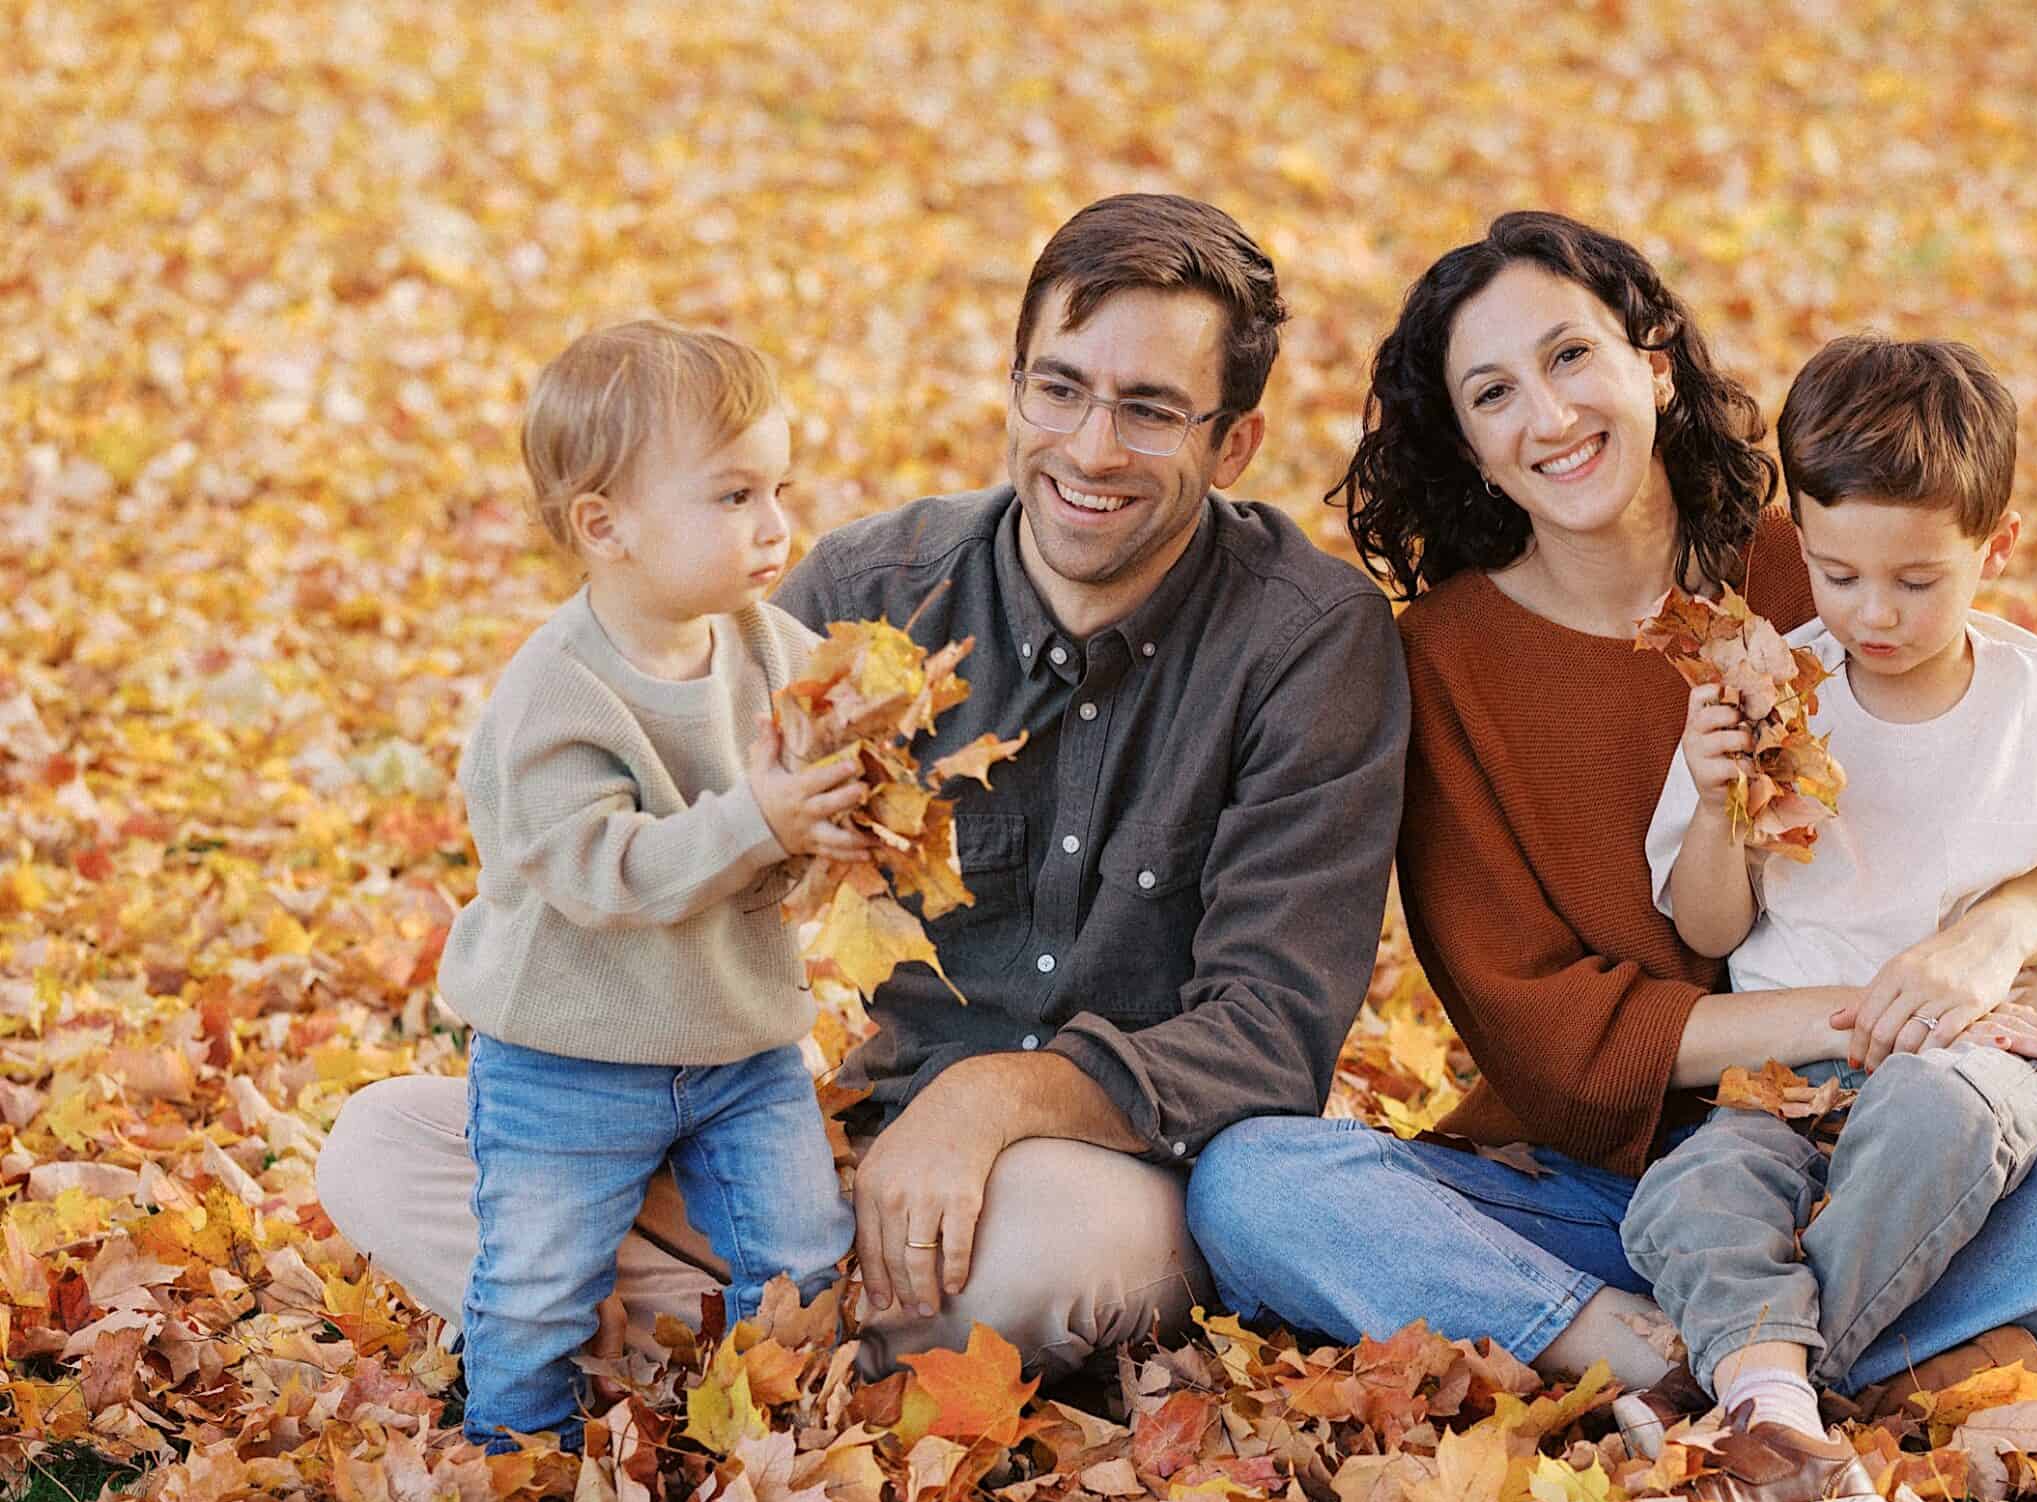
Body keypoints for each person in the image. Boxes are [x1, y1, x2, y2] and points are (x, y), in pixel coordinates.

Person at [1187, 213, 2037, 1502]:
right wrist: (1865, 1007)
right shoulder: (1441, 665)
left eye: (1573, 357)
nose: (1549, 414)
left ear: (1657, 360)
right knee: (1258, 1183)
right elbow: (1548, 1038)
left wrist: (1984, 939)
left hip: (1881, 1155)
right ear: (1466, 441)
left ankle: (1744, 1377)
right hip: (1605, 1190)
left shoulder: (1826, 564)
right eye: (1493, 393)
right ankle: (1701, 1356)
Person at [316, 194, 1408, 1388]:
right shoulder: (871, 590)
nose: (1091, 446)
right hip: (835, 1154)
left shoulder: (1309, 641)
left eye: (1148, 410)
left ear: (1232, 444)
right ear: (1014, 387)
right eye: (1060, 388)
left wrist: (992, 1101)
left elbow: (1272, 1028)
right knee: (383, 1144)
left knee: (1045, 1251)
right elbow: (683, 852)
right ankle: (786, 1344)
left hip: (1113, 1167)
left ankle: (697, 1345)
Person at [1612, 335, 2037, 1502]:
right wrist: (1722, 802)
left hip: (1977, 1062)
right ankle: (1797, 1405)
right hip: (1783, 1079)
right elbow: (1707, 924)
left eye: (1916, 581)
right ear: (1804, 543)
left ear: (1997, 547)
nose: (1872, 612)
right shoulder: (1769, 699)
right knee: (1685, 1198)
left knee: (1967, 1121)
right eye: (1835, 574)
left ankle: (1753, 1387)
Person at [437, 321, 861, 1448]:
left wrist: (838, 817)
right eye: (730, 495)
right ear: (603, 524)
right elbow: (603, 872)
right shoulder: (553, 694)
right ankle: (511, 1466)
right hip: (564, 1057)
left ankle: (785, 1446)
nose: (774, 524)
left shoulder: (774, 649)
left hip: (739, 1043)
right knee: (536, 1287)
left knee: (805, 1254)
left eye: (779, 486)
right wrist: (758, 818)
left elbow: (796, 825)